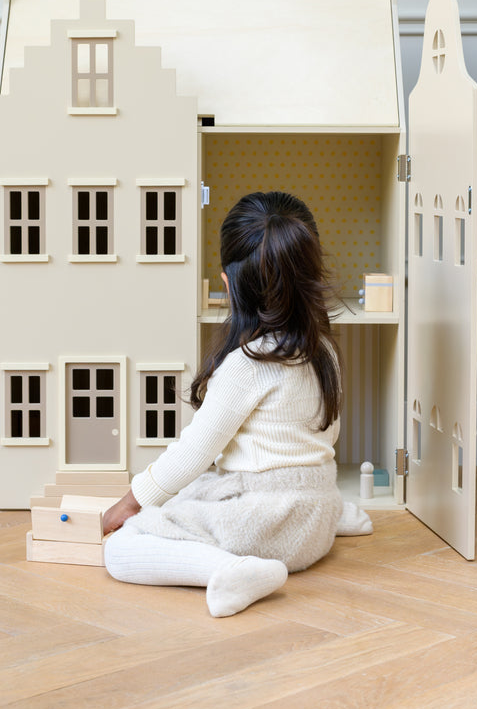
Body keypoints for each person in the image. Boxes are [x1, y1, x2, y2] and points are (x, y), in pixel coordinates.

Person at [102, 190, 372, 617]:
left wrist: (133, 501)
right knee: (196, 490)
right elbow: (324, 437)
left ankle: (233, 569)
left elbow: (195, 451)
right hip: (314, 519)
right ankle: (338, 513)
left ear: (229, 285)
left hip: (263, 528)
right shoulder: (324, 351)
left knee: (122, 548)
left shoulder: (248, 364)